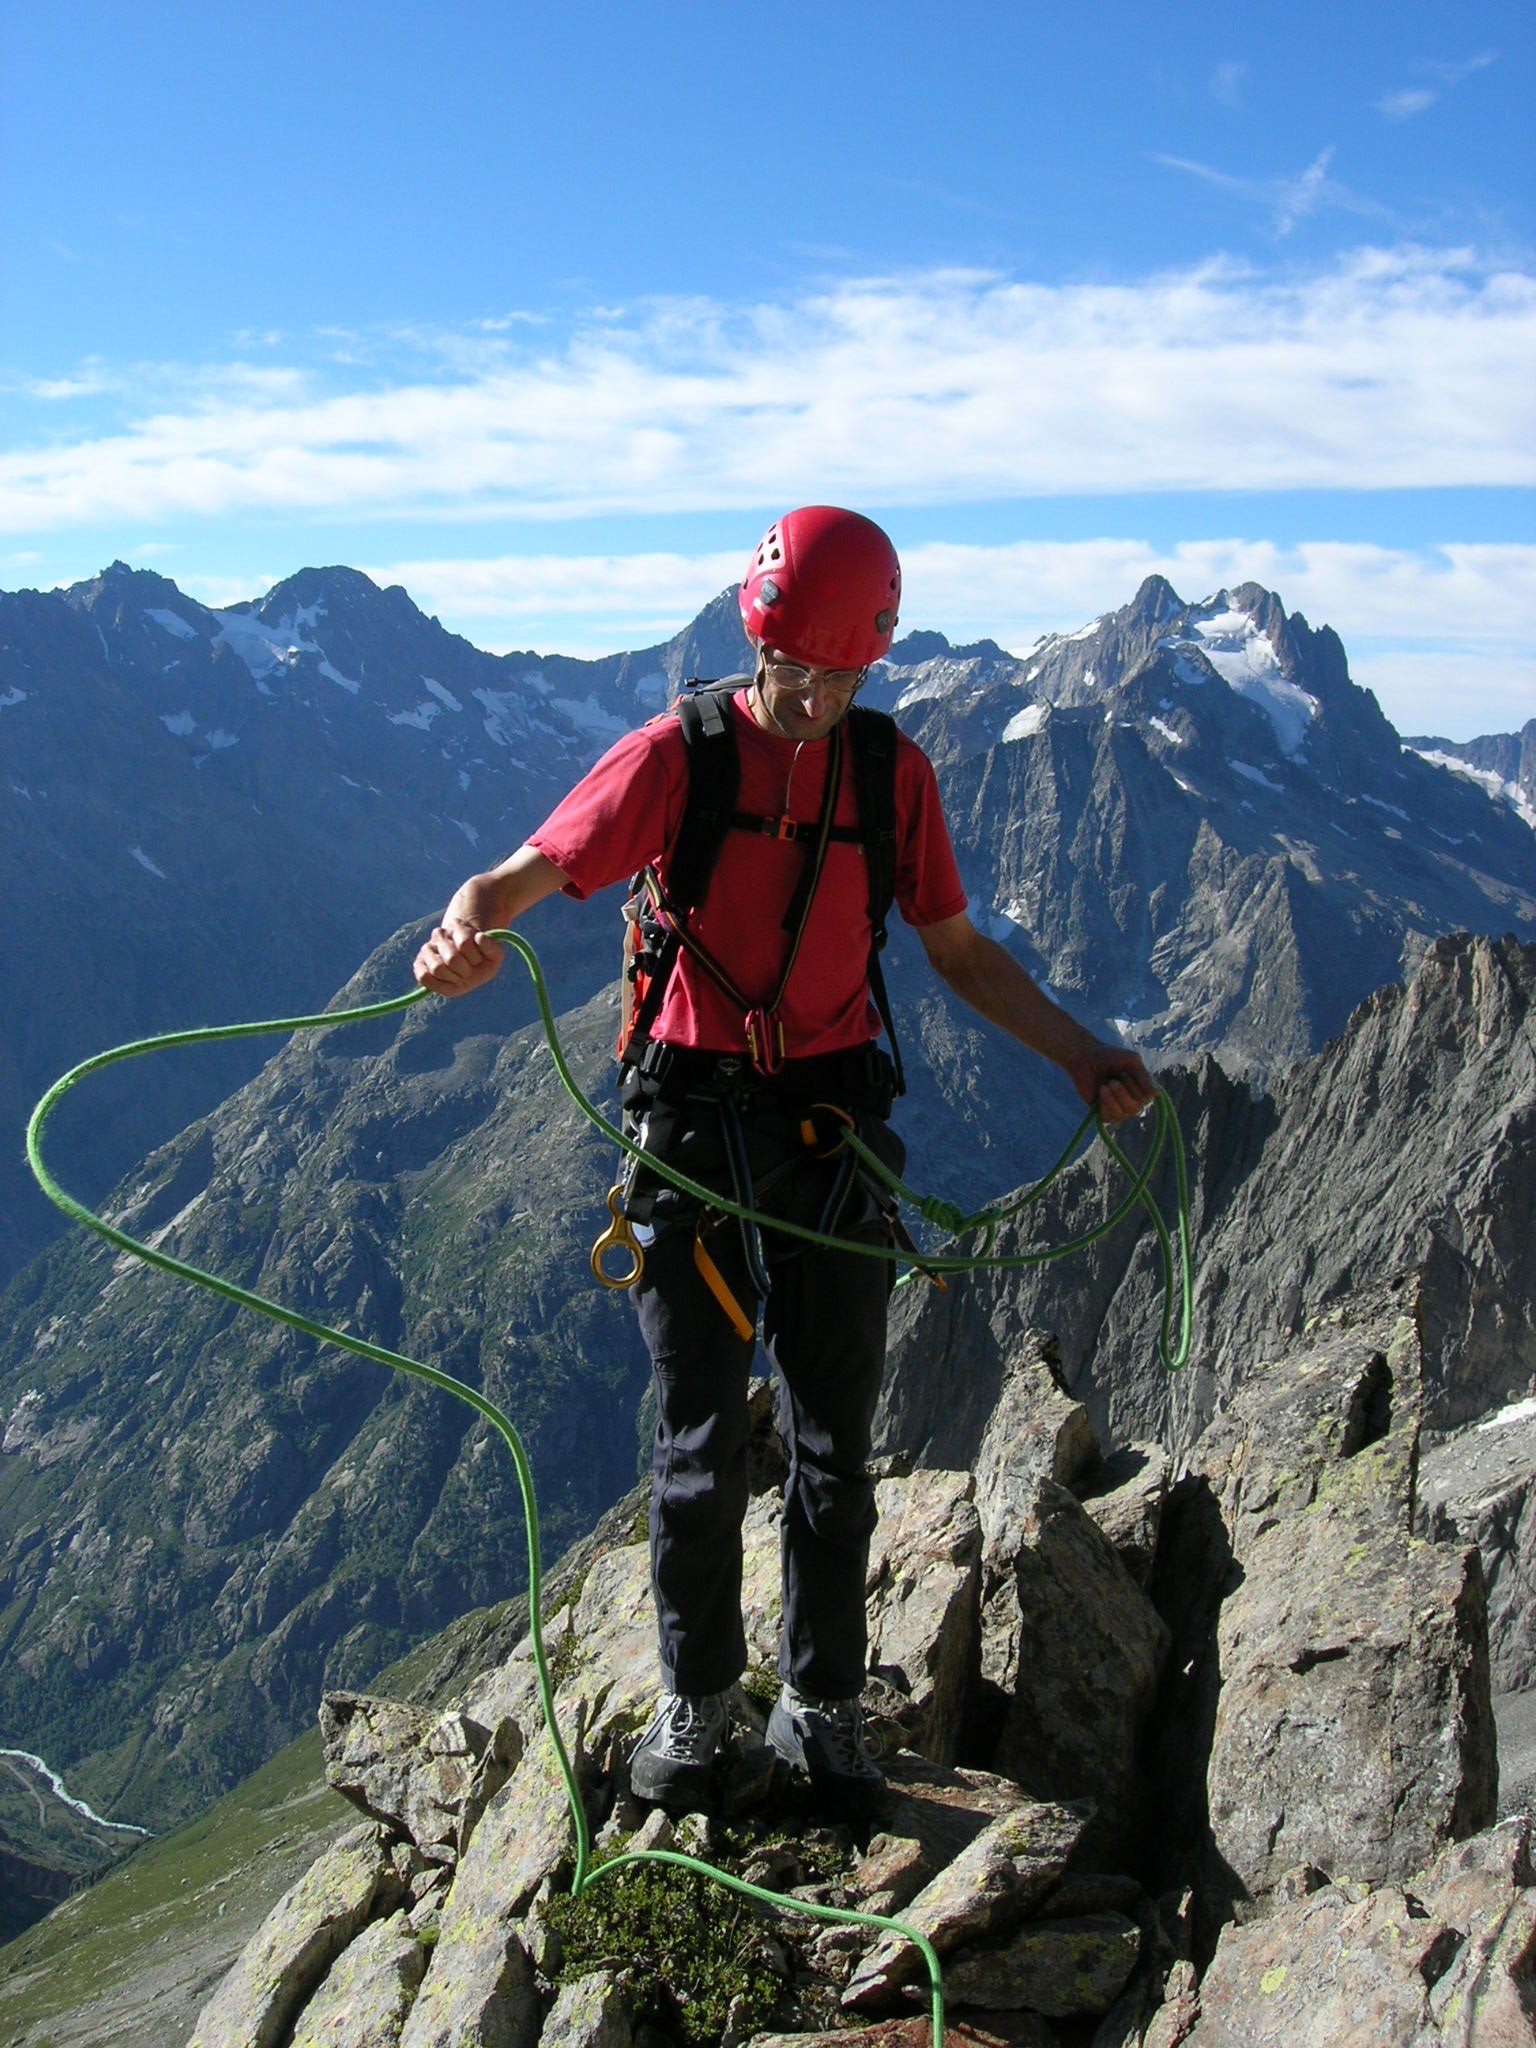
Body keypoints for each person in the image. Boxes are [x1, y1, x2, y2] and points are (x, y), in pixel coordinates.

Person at [412, 505, 1155, 1820]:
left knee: (832, 1436)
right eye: (793, 671)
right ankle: (699, 1716)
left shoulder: (890, 774)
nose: (813, 699)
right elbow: (511, 882)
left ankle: (821, 1708)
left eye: (842, 675)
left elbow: (960, 952)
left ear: (870, 664)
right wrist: (460, 934)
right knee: (698, 1433)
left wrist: (1082, 1055)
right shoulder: (678, 757)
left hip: (827, 1124)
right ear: (757, 643)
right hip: (691, 1126)